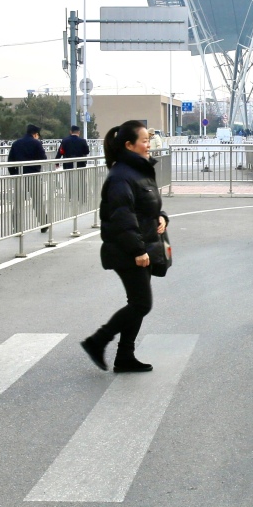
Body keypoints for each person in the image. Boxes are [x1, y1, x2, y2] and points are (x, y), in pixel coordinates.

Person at [80, 121, 168, 373]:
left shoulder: (138, 171)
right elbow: (122, 217)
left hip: (143, 244)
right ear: (129, 145)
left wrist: (161, 216)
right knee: (141, 304)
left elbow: (146, 204)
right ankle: (97, 341)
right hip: (128, 249)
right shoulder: (121, 176)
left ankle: (125, 356)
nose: (148, 144)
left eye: (148, 140)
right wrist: (138, 251)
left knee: (137, 302)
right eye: (144, 141)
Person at [7, 123, 48, 232]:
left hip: (19, 175)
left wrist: (14, 174)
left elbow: (10, 162)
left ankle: (16, 227)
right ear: (35, 134)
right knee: (37, 200)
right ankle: (43, 224)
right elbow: (43, 159)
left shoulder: (16, 144)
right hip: (33, 175)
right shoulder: (36, 144)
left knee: (18, 202)